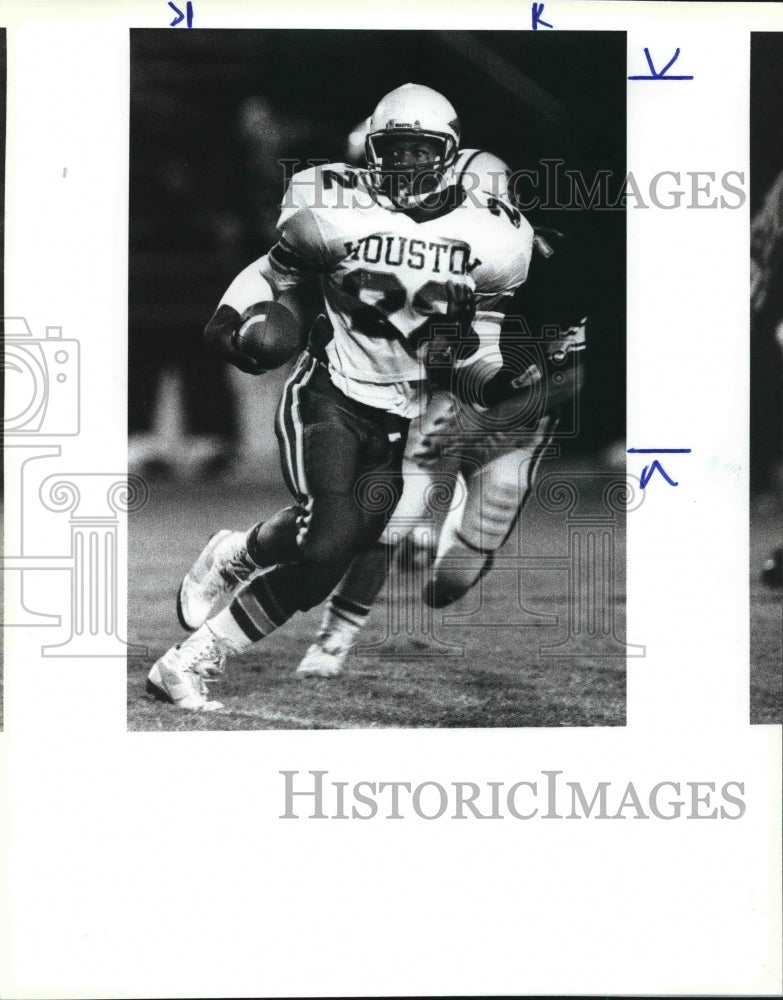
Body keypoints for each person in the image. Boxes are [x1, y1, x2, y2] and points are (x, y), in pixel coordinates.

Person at [146, 83, 538, 710]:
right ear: (371, 149)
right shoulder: (331, 200)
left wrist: (502, 377)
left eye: (421, 151)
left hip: (399, 411)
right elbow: (273, 271)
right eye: (394, 149)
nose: (405, 163)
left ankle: (233, 554)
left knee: (332, 549)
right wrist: (229, 316)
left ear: (451, 153)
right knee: (328, 540)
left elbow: (480, 340)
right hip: (327, 392)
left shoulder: (495, 235)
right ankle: (189, 663)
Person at [296, 225, 586, 678]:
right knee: (395, 517)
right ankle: (335, 637)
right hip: (444, 399)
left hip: (517, 420)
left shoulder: (557, 279)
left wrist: (489, 421)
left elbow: (571, 379)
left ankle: (452, 535)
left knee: (450, 580)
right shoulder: (439, 258)